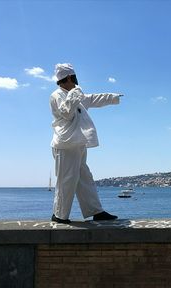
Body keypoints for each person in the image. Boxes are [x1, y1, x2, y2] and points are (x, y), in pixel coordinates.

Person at [49, 63, 122, 224]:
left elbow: (94, 98)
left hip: (78, 143)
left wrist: (113, 97)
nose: (76, 83)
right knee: (66, 179)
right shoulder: (56, 95)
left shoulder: (75, 95)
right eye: (74, 79)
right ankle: (59, 215)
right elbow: (67, 112)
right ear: (69, 77)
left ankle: (96, 211)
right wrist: (75, 93)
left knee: (85, 179)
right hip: (66, 144)